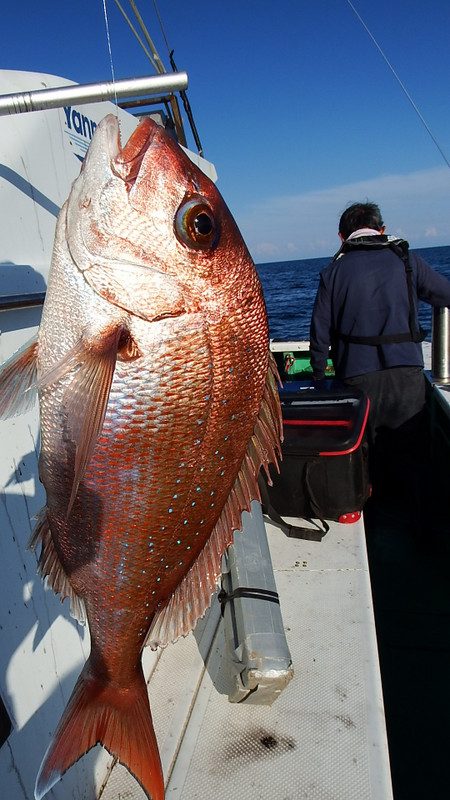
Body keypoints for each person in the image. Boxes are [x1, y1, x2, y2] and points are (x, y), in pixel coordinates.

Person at [309, 201, 450, 500]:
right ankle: (413, 514)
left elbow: (319, 333)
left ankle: (373, 509)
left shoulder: (332, 273)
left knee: (366, 457)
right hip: (407, 377)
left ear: (341, 236)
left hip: (357, 381)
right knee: (411, 455)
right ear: (381, 230)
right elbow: (445, 294)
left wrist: (320, 378)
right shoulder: (407, 261)